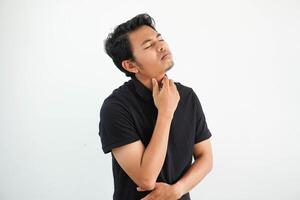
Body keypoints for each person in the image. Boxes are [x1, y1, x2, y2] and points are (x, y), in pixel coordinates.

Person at [98, 13, 213, 200]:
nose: (161, 46)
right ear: (130, 65)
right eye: (149, 45)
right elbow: (146, 179)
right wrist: (165, 112)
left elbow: (205, 158)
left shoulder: (187, 96)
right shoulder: (116, 108)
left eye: (159, 38)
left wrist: (178, 190)